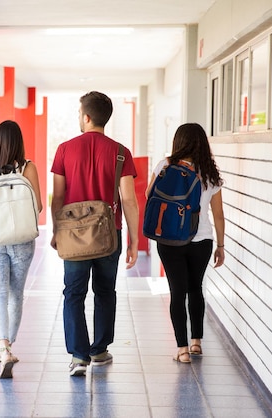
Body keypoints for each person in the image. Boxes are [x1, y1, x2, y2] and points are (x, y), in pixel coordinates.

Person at [50, 91, 140, 377]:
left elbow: (58, 196)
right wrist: (135, 240)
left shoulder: (64, 149)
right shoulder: (121, 152)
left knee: (73, 293)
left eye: (79, 113)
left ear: (86, 117)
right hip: (108, 234)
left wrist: (55, 230)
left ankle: (79, 356)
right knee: (105, 291)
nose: (79, 117)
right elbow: (128, 200)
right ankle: (99, 349)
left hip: (73, 235)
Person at [145, 122, 225, 364]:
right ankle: (197, 343)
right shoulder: (210, 173)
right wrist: (221, 246)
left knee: (177, 292)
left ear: (178, 142)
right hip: (201, 240)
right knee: (195, 289)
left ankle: (181, 349)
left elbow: (150, 195)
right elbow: (218, 215)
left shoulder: (164, 166)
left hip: (169, 238)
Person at [0, 120, 43, 379]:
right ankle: (9, 345)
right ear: (19, 142)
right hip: (22, 240)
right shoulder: (28, 167)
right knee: (16, 294)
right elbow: (38, 206)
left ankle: (3, 349)